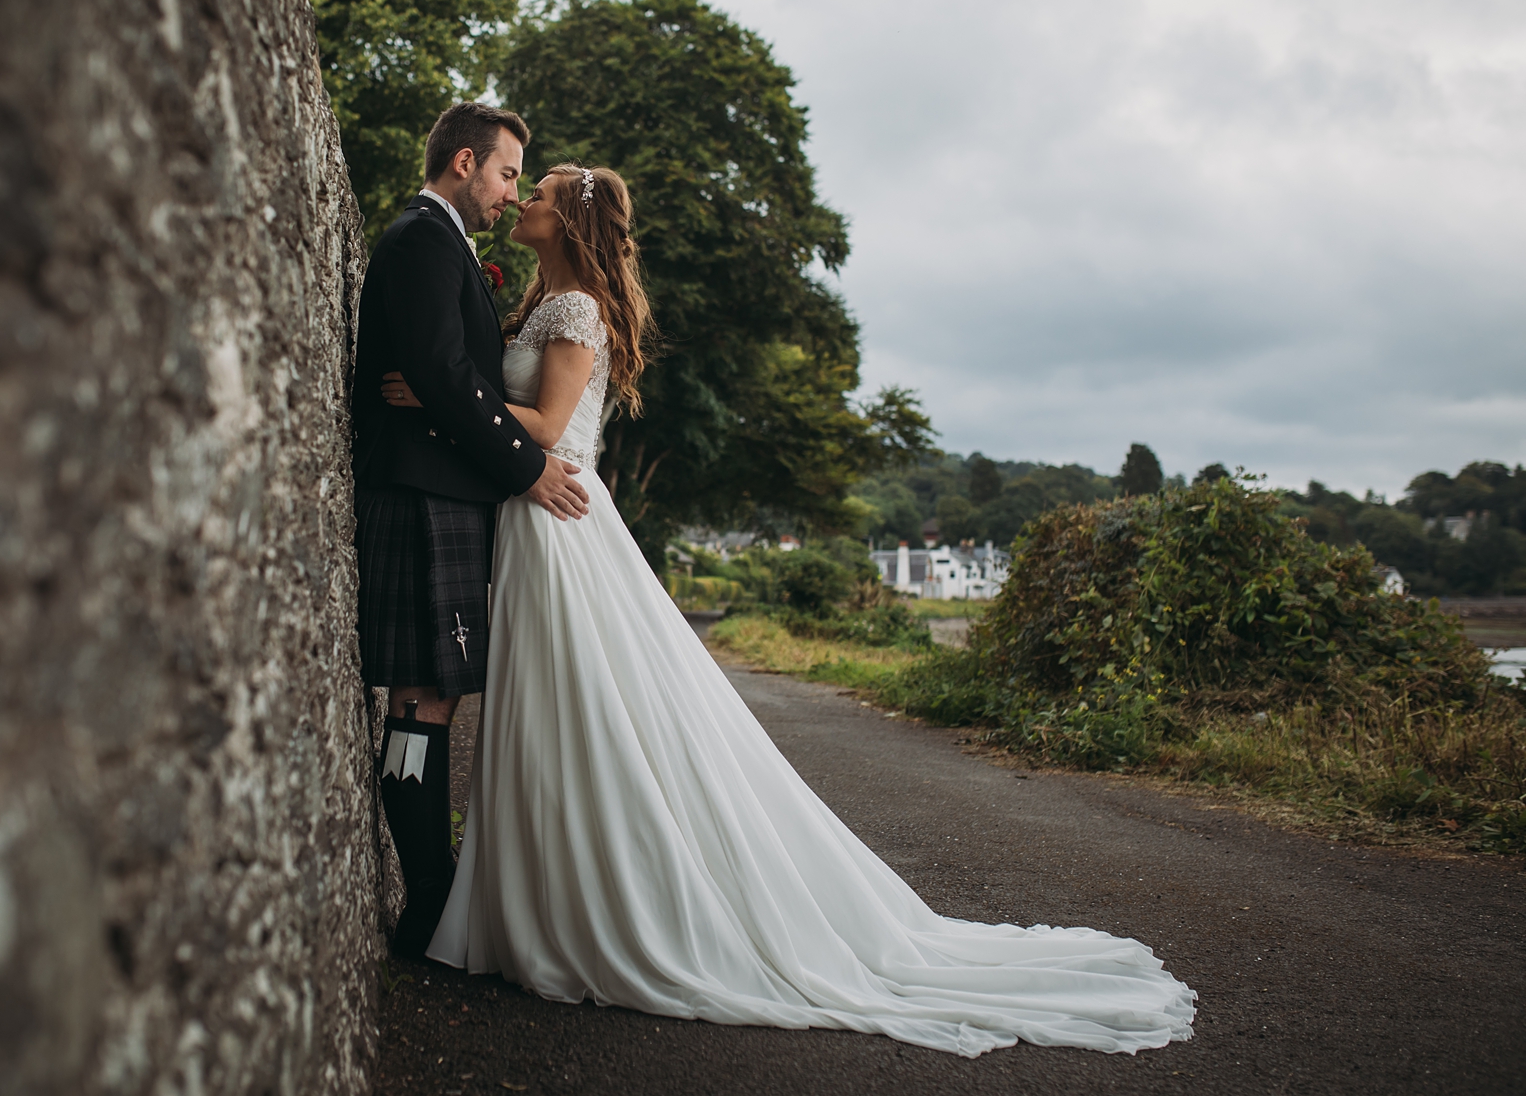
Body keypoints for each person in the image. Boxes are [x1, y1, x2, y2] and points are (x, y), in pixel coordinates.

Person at [381, 164, 1199, 1057]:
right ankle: (538, 897)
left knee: (583, 709)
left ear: (570, 219)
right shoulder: (549, 304)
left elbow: (544, 425)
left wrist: (434, 395)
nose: (524, 199)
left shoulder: (576, 314)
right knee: (557, 712)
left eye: (538, 191)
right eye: (521, 184)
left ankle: (592, 901)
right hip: (534, 522)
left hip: (559, 521)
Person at [351, 102, 591, 958]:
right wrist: (528, 471)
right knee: (422, 697)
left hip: (440, 495)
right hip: (420, 495)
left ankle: (435, 898)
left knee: (430, 696)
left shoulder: (444, 242)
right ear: (463, 162)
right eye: (505, 173)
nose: (509, 191)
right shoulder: (422, 237)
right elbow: (443, 374)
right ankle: (430, 905)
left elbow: (451, 377)